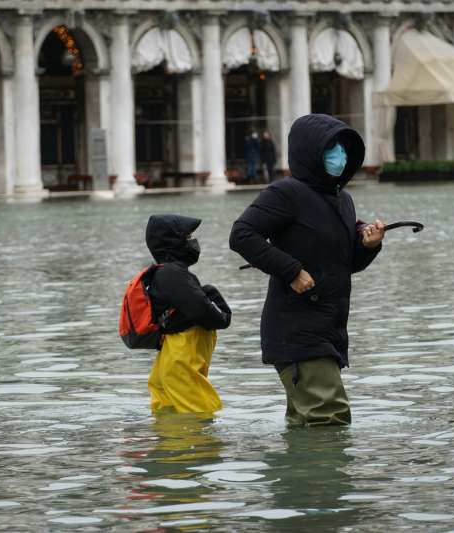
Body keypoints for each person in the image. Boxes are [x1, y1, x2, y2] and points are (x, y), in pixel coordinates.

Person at [228, 114, 385, 426]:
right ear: (309, 152)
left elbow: (344, 264)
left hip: (330, 328)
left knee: (309, 422)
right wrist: (292, 271)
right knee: (329, 420)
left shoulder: (343, 200)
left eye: (342, 148)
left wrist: (368, 246)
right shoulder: (286, 193)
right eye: (331, 149)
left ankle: (301, 476)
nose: (339, 156)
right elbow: (242, 234)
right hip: (297, 331)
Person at [145, 214, 232, 414]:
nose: (192, 241)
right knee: (198, 409)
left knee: (166, 402)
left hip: (172, 350)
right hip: (182, 350)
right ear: (173, 243)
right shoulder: (172, 274)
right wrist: (220, 308)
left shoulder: (164, 273)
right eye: (187, 237)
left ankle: (170, 443)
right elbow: (203, 311)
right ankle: (204, 444)